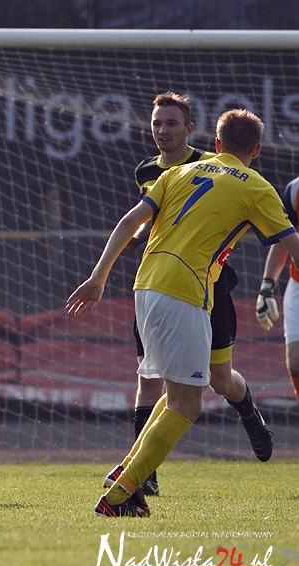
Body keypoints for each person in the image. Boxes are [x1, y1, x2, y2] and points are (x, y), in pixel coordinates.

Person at [66, 108, 299, 517]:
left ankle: (127, 472)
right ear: (257, 150)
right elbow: (293, 247)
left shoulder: (177, 172)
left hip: (146, 286)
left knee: (178, 392)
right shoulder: (257, 186)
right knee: (188, 403)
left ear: (217, 143)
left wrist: (98, 277)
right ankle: (121, 496)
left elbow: (129, 220)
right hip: (184, 291)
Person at [122, 92, 273, 497]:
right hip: (159, 280)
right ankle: (143, 476)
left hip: (210, 285)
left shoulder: (213, 164)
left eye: (171, 123)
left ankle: (248, 411)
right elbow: (154, 217)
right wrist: (136, 238)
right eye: (157, 123)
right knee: (149, 378)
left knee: (220, 380)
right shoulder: (146, 171)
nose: (163, 131)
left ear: (190, 129)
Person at [256, 174, 299, 400]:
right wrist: (267, 287)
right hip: (297, 284)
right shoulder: (295, 190)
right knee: (296, 363)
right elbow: (284, 238)